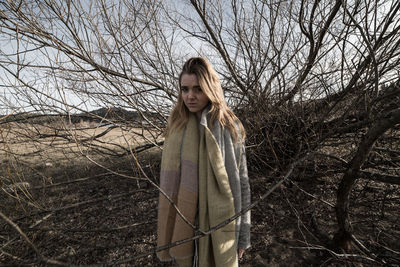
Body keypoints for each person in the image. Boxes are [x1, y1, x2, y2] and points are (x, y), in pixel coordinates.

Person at [157, 57, 251, 267]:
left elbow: (242, 182)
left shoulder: (229, 127)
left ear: (210, 88)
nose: (190, 96)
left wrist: (243, 235)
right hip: (185, 218)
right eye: (185, 89)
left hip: (220, 221)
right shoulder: (176, 127)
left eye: (198, 89)